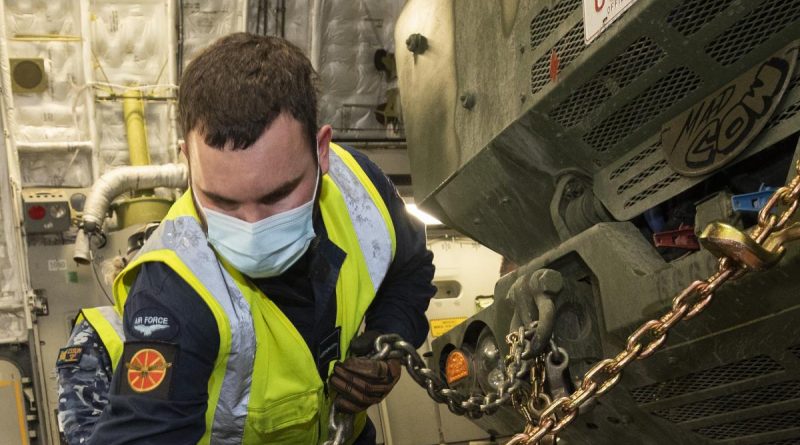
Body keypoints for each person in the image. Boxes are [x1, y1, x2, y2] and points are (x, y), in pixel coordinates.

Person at [88, 33, 436, 444]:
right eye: (222, 201)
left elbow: (409, 270)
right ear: (187, 161)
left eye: (276, 195)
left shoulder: (361, 191)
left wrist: (386, 347)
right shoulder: (173, 290)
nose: (252, 226)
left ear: (321, 150)